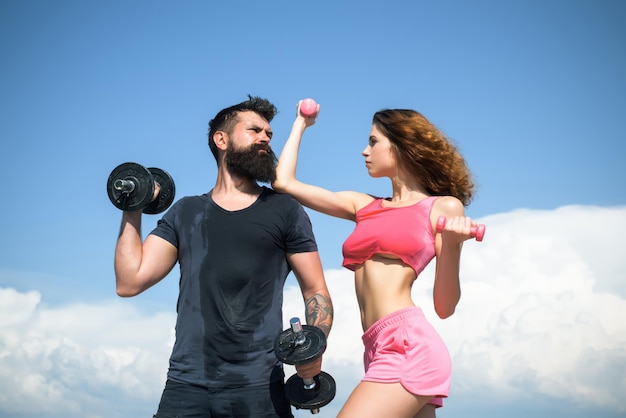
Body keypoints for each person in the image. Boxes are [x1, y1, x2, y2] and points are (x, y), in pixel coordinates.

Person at [114, 95, 334, 418]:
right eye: (255, 130)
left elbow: (316, 291)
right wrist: (134, 203)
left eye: (269, 134)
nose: (265, 138)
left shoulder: (285, 211)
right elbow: (129, 281)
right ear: (222, 140)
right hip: (185, 386)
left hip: (260, 389)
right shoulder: (186, 213)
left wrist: (314, 346)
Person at [272, 101, 476, 418]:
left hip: (408, 344)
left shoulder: (443, 208)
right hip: (375, 345)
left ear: (400, 146)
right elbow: (284, 183)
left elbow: (444, 307)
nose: (364, 151)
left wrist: (450, 245)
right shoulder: (363, 205)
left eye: (373, 141)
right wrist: (301, 123)